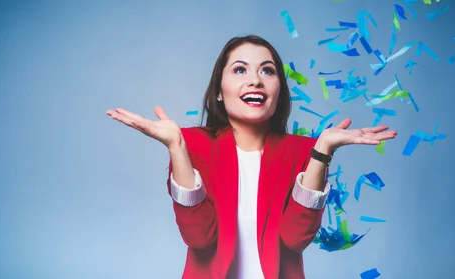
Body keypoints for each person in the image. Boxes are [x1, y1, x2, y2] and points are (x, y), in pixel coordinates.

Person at [106, 35, 397, 279]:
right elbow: (199, 238)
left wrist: (321, 153)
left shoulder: (303, 151)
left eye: (267, 71)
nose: (255, 80)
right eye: (240, 70)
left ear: (279, 90)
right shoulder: (191, 144)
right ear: (219, 90)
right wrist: (176, 148)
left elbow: (295, 238)